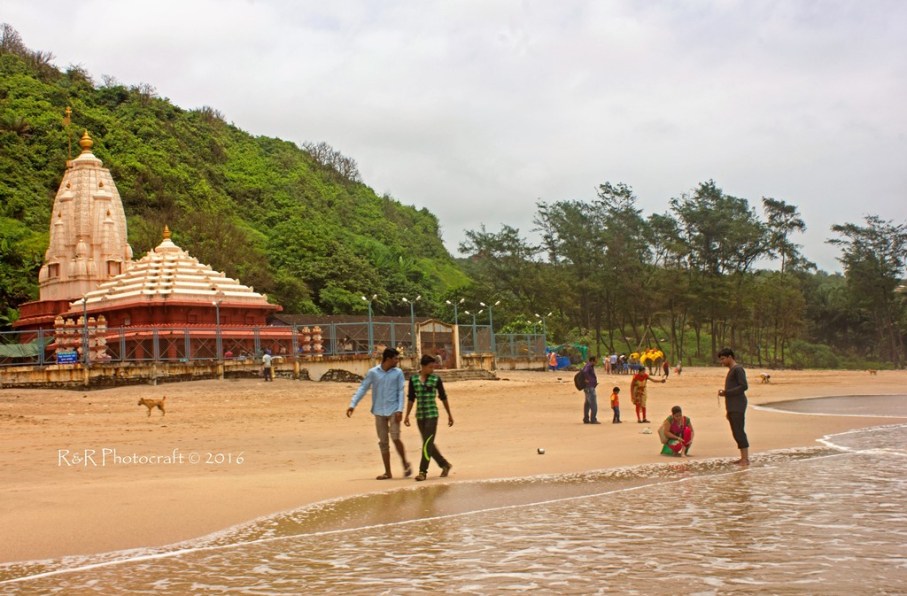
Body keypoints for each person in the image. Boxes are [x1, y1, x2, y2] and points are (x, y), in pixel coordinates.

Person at [347, 347, 413, 479]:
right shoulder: (373, 372)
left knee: (395, 437)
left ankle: (405, 462)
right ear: (388, 359)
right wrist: (353, 404)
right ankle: (388, 472)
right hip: (378, 410)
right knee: (383, 442)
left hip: (394, 410)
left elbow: (401, 391)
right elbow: (363, 388)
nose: (397, 361)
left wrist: (400, 410)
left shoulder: (398, 373)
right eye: (395, 358)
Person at [404, 354, 454, 481]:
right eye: (430, 367)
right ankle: (445, 464)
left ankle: (422, 472)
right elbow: (411, 399)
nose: (432, 370)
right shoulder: (413, 380)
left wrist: (449, 414)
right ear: (423, 366)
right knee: (428, 444)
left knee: (427, 444)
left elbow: (443, 397)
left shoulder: (436, 380)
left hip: (432, 415)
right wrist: (407, 415)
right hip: (420, 416)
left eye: (433, 367)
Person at [718, 347, 750, 465]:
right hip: (733, 406)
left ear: (730, 357)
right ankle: (743, 457)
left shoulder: (738, 369)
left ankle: (745, 459)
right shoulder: (732, 370)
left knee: (739, 431)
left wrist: (726, 392)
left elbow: (744, 386)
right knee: (736, 431)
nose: (722, 362)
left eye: (723, 359)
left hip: (738, 405)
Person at [582, 356, 600, 424]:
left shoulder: (588, 365)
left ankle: (586, 419)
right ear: (592, 361)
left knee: (587, 404)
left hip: (588, 387)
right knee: (593, 404)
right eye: (595, 361)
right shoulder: (589, 366)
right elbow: (585, 372)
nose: (596, 362)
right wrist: (587, 379)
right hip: (590, 387)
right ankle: (593, 419)